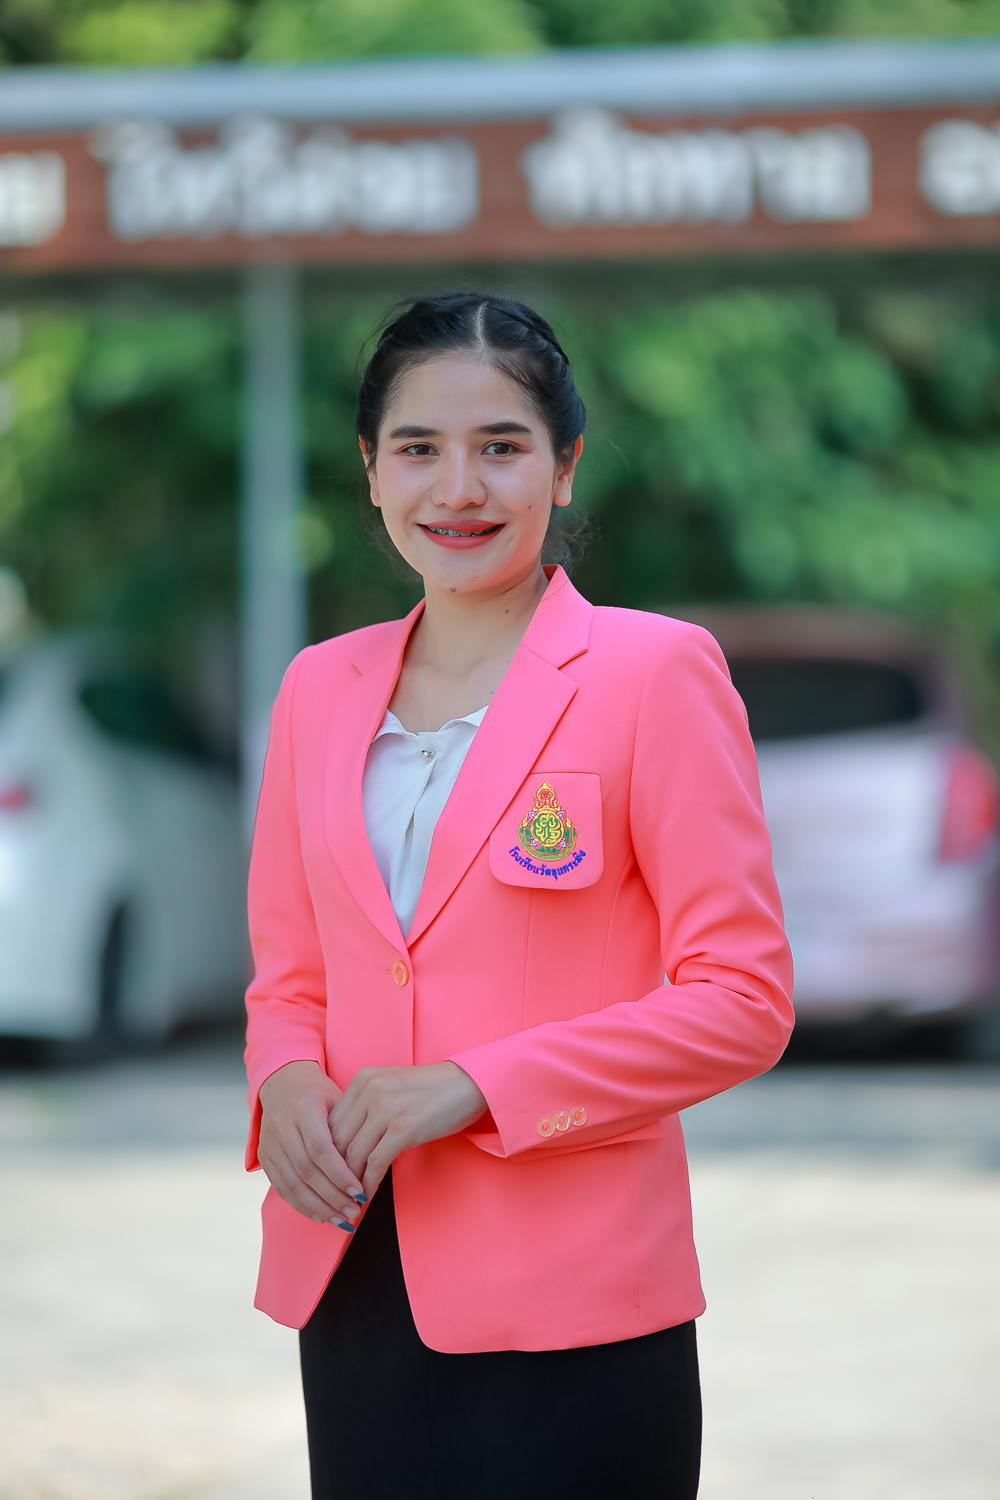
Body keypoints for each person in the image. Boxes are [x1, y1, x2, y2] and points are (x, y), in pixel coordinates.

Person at [243, 292, 793, 1500]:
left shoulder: (653, 673)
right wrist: (280, 1082)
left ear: (564, 463)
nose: (459, 488)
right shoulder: (316, 689)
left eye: (500, 446)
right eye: (417, 449)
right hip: (356, 1272)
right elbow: (289, 974)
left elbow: (742, 1001)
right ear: (371, 470)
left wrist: (477, 1084)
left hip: (577, 1300)